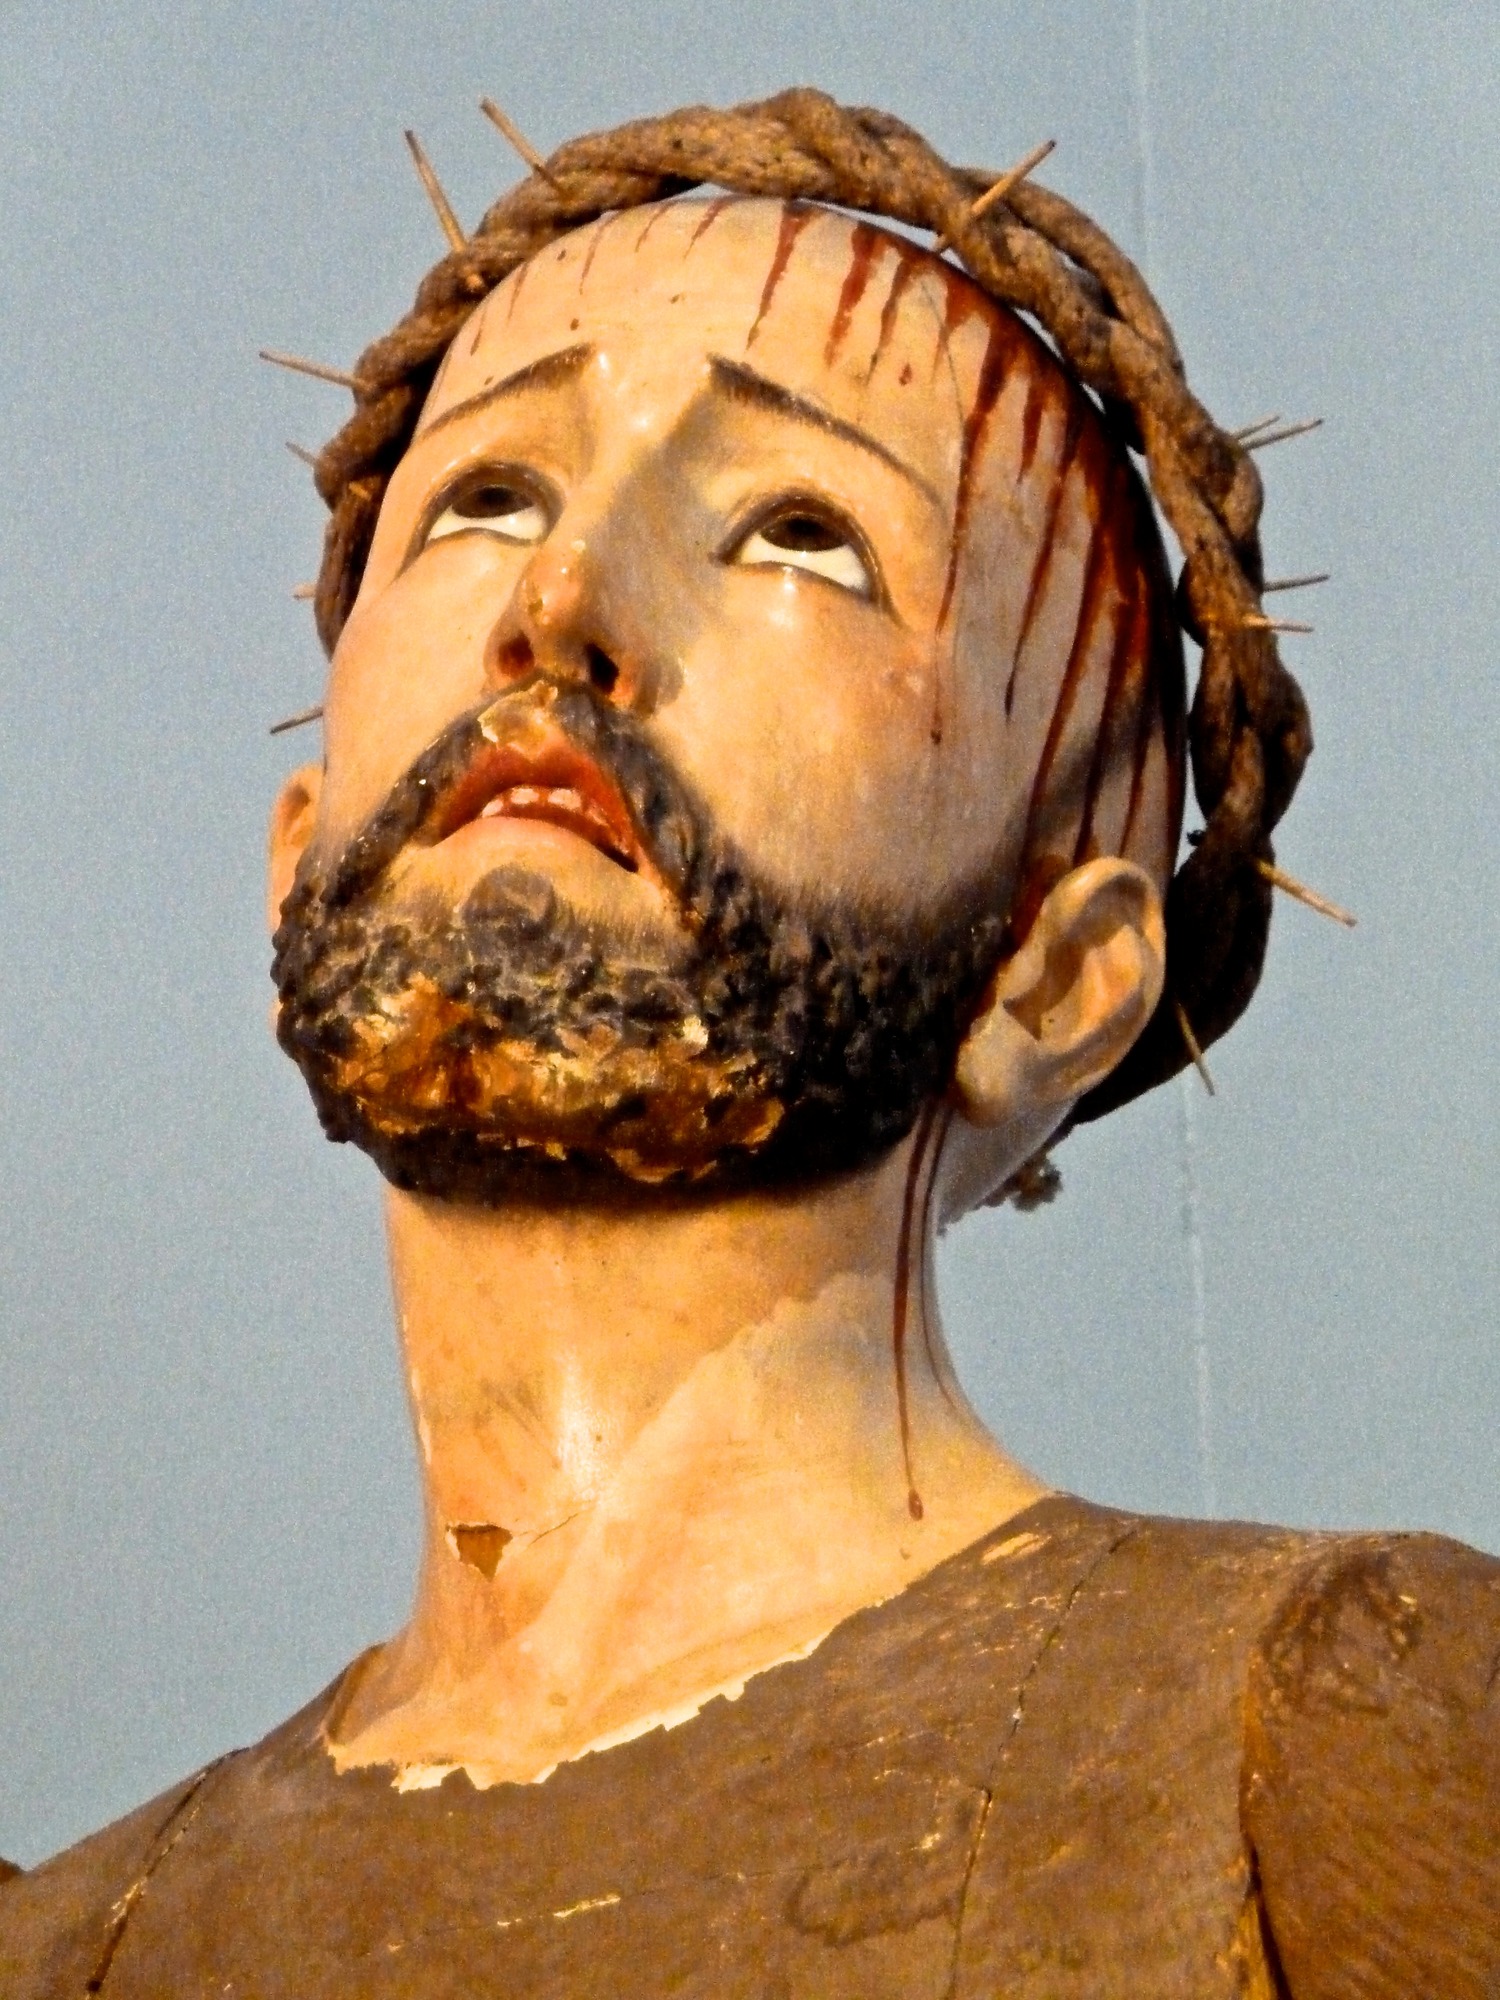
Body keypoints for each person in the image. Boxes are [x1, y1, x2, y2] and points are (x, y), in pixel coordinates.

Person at [3, 91, 1495, 1999]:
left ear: (1051, 974)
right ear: (299, 856)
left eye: (803, 534)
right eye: (487, 497)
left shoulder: (1331, 1733)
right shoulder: (75, 1943)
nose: (559, 605)